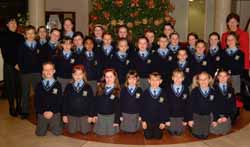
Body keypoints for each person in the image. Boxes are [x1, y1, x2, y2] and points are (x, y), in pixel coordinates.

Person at [0, 17, 24, 116]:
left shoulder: (20, 37)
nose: (14, 24)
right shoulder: (3, 36)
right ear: (7, 24)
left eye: (15, 22)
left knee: (19, 87)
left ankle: (19, 105)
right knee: (10, 87)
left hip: (20, 65)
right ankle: (11, 107)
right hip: (9, 65)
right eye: (11, 22)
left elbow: (23, 52)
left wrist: (21, 64)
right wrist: (15, 64)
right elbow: (5, 53)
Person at [17, 25, 42, 119]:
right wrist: (22, 70)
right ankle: (25, 111)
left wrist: (41, 71)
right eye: (28, 33)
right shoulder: (22, 46)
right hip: (25, 73)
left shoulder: (38, 45)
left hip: (37, 73)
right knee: (25, 92)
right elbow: (20, 59)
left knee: (38, 92)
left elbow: (41, 59)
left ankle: (38, 110)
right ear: (25, 35)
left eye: (32, 33)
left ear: (35, 34)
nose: (31, 35)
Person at [62, 64, 94, 134]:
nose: (78, 76)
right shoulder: (69, 86)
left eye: (80, 74)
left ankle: (84, 125)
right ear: (73, 75)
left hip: (84, 115)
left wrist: (91, 115)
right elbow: (65, 101)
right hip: (72, 114)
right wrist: (64, 115)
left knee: (85, 132)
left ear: (83, 75)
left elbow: (91, 102)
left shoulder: (88, 87)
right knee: (71, 132)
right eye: (76, 74)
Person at [34, 62, 63, 136]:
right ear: (43, 72)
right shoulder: (39, 85)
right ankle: (46, 124)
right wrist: (43, 111)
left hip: (54, 112)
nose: (48, 71)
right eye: (46, 70)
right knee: (40, 134)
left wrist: (52, 111)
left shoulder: (58, 84)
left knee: (57, 133)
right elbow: (37, 101)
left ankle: (57, 123)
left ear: (54, 71)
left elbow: (59, 101)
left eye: (50, 69)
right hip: (42, 112)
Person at [140, 72, 170, 139]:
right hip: (148, 120)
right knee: (148, 137)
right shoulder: (145, 93)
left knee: (158, 137)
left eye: (157, 80)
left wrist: (163, 122)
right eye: (152, 80)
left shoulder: (163, 93)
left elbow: (165, 108)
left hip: (159, 121)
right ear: (149, 81)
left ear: (160, 81)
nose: (154, 82)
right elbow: (142, 107)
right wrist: (143, 121)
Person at [190, 72, 218, 139]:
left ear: (209, 80)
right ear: (198, 81)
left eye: (205, 79)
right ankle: (193, 129)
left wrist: (215, 119)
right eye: (201, 79)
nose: (203, 81)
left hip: (207, 116)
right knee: (197, 134)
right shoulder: (194, 91)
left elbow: (215, 107)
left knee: (205, 135)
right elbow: (190, 106)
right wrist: (190, 119)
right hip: (196, 116)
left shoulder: (213, 92)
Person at [221, 13, 249, 79]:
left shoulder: (244, 34)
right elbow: (223, 50)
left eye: (234, 22)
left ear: (238, 23)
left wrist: (246, 67)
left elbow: (246, 51)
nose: (232, 24)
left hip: (240, 65)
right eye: (230, 22)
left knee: (240, 86)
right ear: (227, 23)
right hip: (227, 66)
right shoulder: (224, 35)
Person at [93, 68, 121, 136]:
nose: (109, 79)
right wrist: (95, 115)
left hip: (111, 117)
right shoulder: (100, 88)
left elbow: (118, 107)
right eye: (107, 77)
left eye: (111, 76)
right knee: (100, 134)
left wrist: (116, 121)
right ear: (104, 78)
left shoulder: (117, 90)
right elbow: (96, 103)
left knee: (110, 135)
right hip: (100, 116)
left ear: (115, 77)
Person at [210, 69, 236, 135]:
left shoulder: (231, 89)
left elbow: (232, 105)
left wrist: (226, 116)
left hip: (225, 114)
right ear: (217, 77)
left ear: (228, 77)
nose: (223, 78)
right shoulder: (213, 89)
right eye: (220, 76)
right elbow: (211, 105)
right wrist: (217, 117)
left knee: (225, 131)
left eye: (225, 76)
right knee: (215, 131)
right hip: (215, 114)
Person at [166, 69, 191, 136]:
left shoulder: (186, 88)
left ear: (183, 78)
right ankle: (171, 127)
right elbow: (165, 105)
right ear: (172, 78)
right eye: (176, 76)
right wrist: (166, 118)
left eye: (180, 77)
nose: (178, 78)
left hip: (181, 116)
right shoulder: (168, 88)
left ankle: (179, 127)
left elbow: (188, 104)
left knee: (179, 132)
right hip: (171, 115)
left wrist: (186, 119)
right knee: (172, 131)